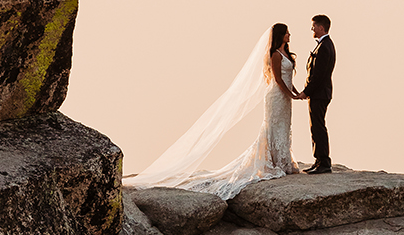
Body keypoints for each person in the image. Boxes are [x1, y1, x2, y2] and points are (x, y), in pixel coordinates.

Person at [121, 22, 303, 194]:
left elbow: (288, 79)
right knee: (273, 127)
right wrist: (290, 94)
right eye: (287, 32)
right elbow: (278, 79)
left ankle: (284, 160)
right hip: (277, 96)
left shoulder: (286, 53)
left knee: (284, 127)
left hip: (285, 96)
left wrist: (296, 92)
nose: (289, 34)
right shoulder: (275, 55)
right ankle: (274, 162)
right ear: (280, 35)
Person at [304, 14, 337, 173]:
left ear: (321, 27)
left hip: (319, 93)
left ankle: (324, 162)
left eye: (314, 26)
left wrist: (306, 92)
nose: (312, 29)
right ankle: (319, 160)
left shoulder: (325, 46)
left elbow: (319, 75)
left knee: (318, 126)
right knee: (316, 126)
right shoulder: (325, 45)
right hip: (319, 93)